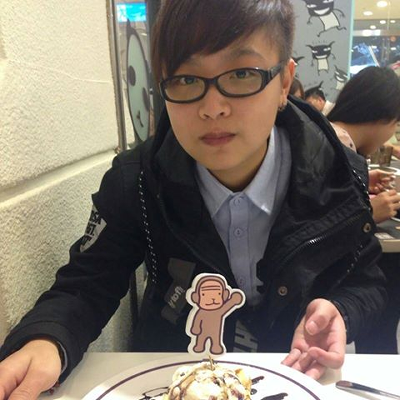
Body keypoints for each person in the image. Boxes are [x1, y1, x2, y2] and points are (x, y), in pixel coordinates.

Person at [0, 1, 386, 398]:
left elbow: (367, 280)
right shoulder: (138, 180)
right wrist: (47, 339)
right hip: (170, 380)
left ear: (285, 83)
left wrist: (342, 310)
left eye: (241, 74)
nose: (212, 108)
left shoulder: (338, 175)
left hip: (292, 380)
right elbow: (87, 283)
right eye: (185, 79)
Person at [327, 66, 400, 224]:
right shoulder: (336, 148)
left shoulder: (328, 136)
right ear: (383, 116)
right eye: (396, 123)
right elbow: (313, 226)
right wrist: (367, 215)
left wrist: (360, 181)